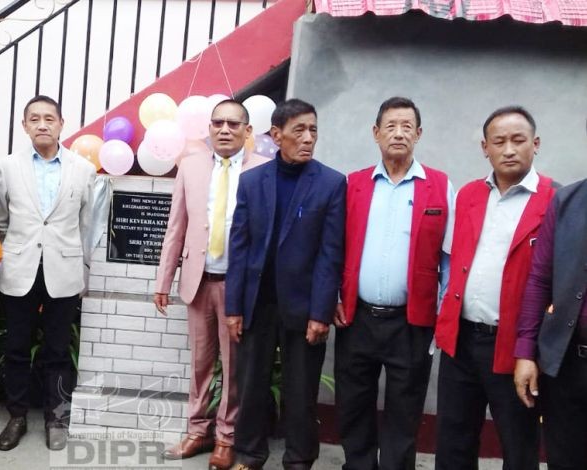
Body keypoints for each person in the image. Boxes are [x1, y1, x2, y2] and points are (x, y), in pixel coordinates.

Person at [224, 98, 345, 470]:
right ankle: (248, 453)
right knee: (251, 385)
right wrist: (233, 308)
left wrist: (321, 312)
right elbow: (239, 248)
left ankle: (299, 459)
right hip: (258, 303)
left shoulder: (331, 183)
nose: (308, 138)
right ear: (276, 135)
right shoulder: (251, 181)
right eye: (299, 131)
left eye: (313, 130)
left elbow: (330, 254)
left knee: (301, 390)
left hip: (304, 306)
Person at [334, 97, 454, 470]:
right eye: (390, 125)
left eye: (407, 126)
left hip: (412, 322)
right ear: (376, 133)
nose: (398, 133)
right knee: (354, 402)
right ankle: (359, 465)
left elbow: (450, 258)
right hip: (358, 318)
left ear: (418, 135)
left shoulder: (439, 185)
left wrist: (442, 310)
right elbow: (334, 247)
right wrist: (334, 297)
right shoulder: (353, 184)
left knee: (405, 407)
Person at [434, 106, 553, 470]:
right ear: (485, 147)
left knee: (518, 446)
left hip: (516, 348)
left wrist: (530, 350)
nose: (509, 149)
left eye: (518, 140)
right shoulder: (469, 194)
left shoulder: (553, 199)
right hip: (461, 343)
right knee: (453, 442)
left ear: (535, 144)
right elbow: (453, 263)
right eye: (498, 141)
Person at [154, 99, 268, 470]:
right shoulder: (190, 166)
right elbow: (176, 227)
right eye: (217, 122)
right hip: (198, 281)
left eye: (233, 124)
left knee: (234, 367)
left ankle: (226, 437)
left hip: (240, 289)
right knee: (200, 364)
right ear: (208, 127)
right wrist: (164, 279)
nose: (224, 129)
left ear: (247, 131)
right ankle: (197, 430)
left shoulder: (263, 170)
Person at [0, 95, 96, 451]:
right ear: (24, 126)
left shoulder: (82, 170)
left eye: (49, 118)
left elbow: (87, 226)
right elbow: (1, 221)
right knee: (17, 347)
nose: (42, 125)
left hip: (63, 270)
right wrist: (21, 246)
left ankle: (56, 418)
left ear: (61, 124)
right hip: (20, 268)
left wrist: (79, 265)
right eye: (34, 119)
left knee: (57, 349)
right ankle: (17, 417)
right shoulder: (7, 167)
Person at [513, 122, 587, 469]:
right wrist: (527, 352)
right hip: (567, 365)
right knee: (564, 459)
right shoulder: (568, 201)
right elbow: (540, 280)